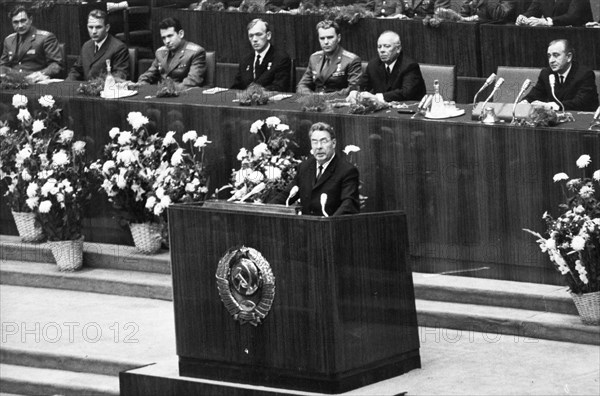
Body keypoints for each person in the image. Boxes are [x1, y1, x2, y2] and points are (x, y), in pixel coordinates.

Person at [271, 122, 360, 216]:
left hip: (332, 227)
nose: (319, 147)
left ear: (333, 143)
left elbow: (348, 205)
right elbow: (286, 195)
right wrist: (263, 209)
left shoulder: (347, 170)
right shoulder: (304, 167)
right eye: (314, 142)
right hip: (307, 227)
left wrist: (329, 224)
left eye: (324, 141)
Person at [349, 31, 426, 104]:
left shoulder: (410, 66)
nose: (382, 50)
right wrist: (355, 92)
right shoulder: (373, 65)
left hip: (407, 110)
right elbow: (361, 85)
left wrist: (377, 97)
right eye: (379, 47)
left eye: (387, 46)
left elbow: (406, 93)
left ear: (398, 48)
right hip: (381, 110)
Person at [523, 39, 598, 112]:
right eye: (549, 56)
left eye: (556, 55)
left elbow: (581, 102)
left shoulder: (584, 74)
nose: (551, 60)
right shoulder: (546, 73)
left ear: (568, 57)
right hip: (554, 121)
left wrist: (551, 106)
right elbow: (534, 96)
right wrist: (524, 103)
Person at [136, 17, 206, 89]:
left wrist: (168, 90)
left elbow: (192, 82)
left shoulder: (195, 52)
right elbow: (148, 75)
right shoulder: (160, 52)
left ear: (181, 34)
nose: (167, 41)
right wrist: (141, 85)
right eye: (163, 38)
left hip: (182, 94)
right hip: (160, 94)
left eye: (170, 36)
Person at [296, 20, 362, 96]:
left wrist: (323, 97)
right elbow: (301, 86)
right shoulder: (314, 58)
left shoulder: (351, 60)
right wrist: (313, 97)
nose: (326, 42)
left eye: (330, 37)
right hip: (315, 102)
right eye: (322, 38)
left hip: (339, 103)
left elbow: (353, 90)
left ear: (339, 38)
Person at [0, 5, 63, 82]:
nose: (20, 26)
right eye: (15, 22)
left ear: (30, 20)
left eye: (23, 21)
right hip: (12, 83)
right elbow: (3, 65)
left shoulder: (45, 38)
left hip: (36, 82)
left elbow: (56, 66)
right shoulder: (8, 40)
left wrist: (40, 74)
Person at [67, 9, 130, 81]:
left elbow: (119, 76)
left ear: (107, 28)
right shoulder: (86, 46)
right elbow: (76, 71)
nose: (94, 31)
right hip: (86, 89)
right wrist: (65, 85)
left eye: (98, 27)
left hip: (105, 90)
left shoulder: (119, 48)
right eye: (90, 27)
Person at [231, 19, 291, 92]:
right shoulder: (246, 60)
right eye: (251, 36)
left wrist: (253, 93)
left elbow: (279, 87)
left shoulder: (281, 58)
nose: (254, 39)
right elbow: (236, 87)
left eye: (259, 34)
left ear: (268, 35)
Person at [516, 0, 593, 27]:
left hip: (579, 36)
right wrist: (523, 18)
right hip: (552, 38)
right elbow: (532, 12)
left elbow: (573, 17)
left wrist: (546, 21)